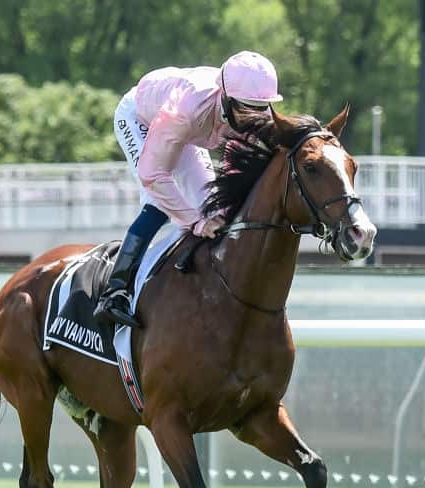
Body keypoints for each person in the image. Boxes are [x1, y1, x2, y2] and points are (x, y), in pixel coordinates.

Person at [93, 51, 283, 328]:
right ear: (226, 97)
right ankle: (115, 291)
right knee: (160, 201)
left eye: (261, 108)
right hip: (142, 118)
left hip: (189, 131)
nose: (253, 118)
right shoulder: (186, 109)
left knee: (213, 209)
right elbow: (152, 175)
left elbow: (238, 157)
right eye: (246, 108)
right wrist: (194, 221)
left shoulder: (249, 106)